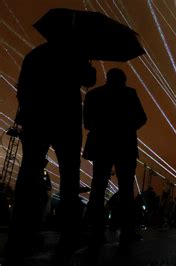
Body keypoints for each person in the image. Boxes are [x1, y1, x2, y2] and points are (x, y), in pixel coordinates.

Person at [7, 39, 96, 262]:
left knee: (28, 172)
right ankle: (68, 234)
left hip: (36, 118)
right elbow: (89, 80)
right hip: (66, 121)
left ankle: (19, 232)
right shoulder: (76, 54)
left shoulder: (35, 54)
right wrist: (87, 60)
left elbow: (23, 86)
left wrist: (29, 110)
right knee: (69, 177)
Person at [83, 68, 147, 248]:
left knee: (98, 187)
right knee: (126, 189)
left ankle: (96, 231)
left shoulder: (94, 95)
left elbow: (87, 123)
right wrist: (126, 127)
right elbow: (142, 118)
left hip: (101, 145)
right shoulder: (129, 94)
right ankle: (127, 231)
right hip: (124, 145)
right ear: (123, 80)